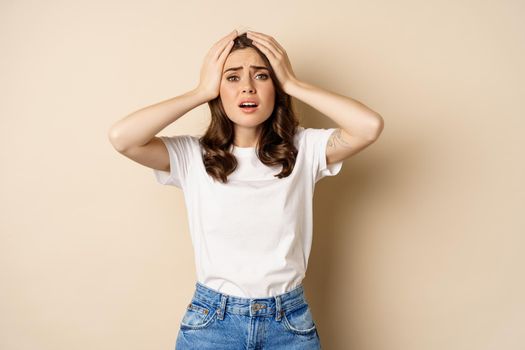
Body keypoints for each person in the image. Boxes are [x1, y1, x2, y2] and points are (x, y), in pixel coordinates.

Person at [108, 29, 383, 350]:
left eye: (262, 75)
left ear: (276, 88)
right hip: (212, 322)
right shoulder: (192, 156)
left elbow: (369, 126)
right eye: (232, 77)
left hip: (289, 321)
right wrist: (200, 91)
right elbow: (122, 137)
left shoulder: (305, 148)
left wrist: (293, 83)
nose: (248, 87)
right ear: (218, 89)